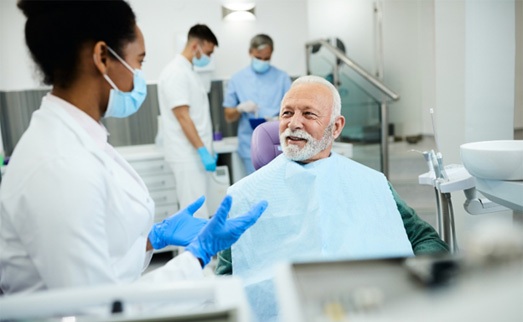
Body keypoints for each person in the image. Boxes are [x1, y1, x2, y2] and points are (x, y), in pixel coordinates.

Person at [0, 0, 267, 295]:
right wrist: (198, 255)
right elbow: (97, 307)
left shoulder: (78, 136)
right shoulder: (58, 164)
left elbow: (102, 258)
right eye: (139, 62)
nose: (138, 76)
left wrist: (150, 239)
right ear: (102, 57)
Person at [216, 75, 449, 321]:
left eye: (308, 114)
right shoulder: (244, 194)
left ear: (336, 127)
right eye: (286, 113)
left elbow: (424, 238)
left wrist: (412, 285)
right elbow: (227, 274)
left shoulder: (372, 183)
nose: (294, 123)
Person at [157, 24, 219, 219]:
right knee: (195, 214)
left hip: (194, 155)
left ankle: (197, 250)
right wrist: (202, 151)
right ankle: (193, 251)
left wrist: (207, 149)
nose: (208, 57)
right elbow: (183, 117)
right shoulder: (176, 73)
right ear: (196, 46)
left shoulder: (188, 72)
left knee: (198, 212)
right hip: (187, 155)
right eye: (208, 52)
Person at [223, 34, 291, 175]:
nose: (263, 61)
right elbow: (228, 116)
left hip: (278, 143)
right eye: (259, 58)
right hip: (249, 145)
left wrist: (279, 119)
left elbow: (294, 109)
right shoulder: (237, 79)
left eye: (267, 58)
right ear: (250, 52)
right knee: (256, 190)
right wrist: (240, 109)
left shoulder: (282, 77)